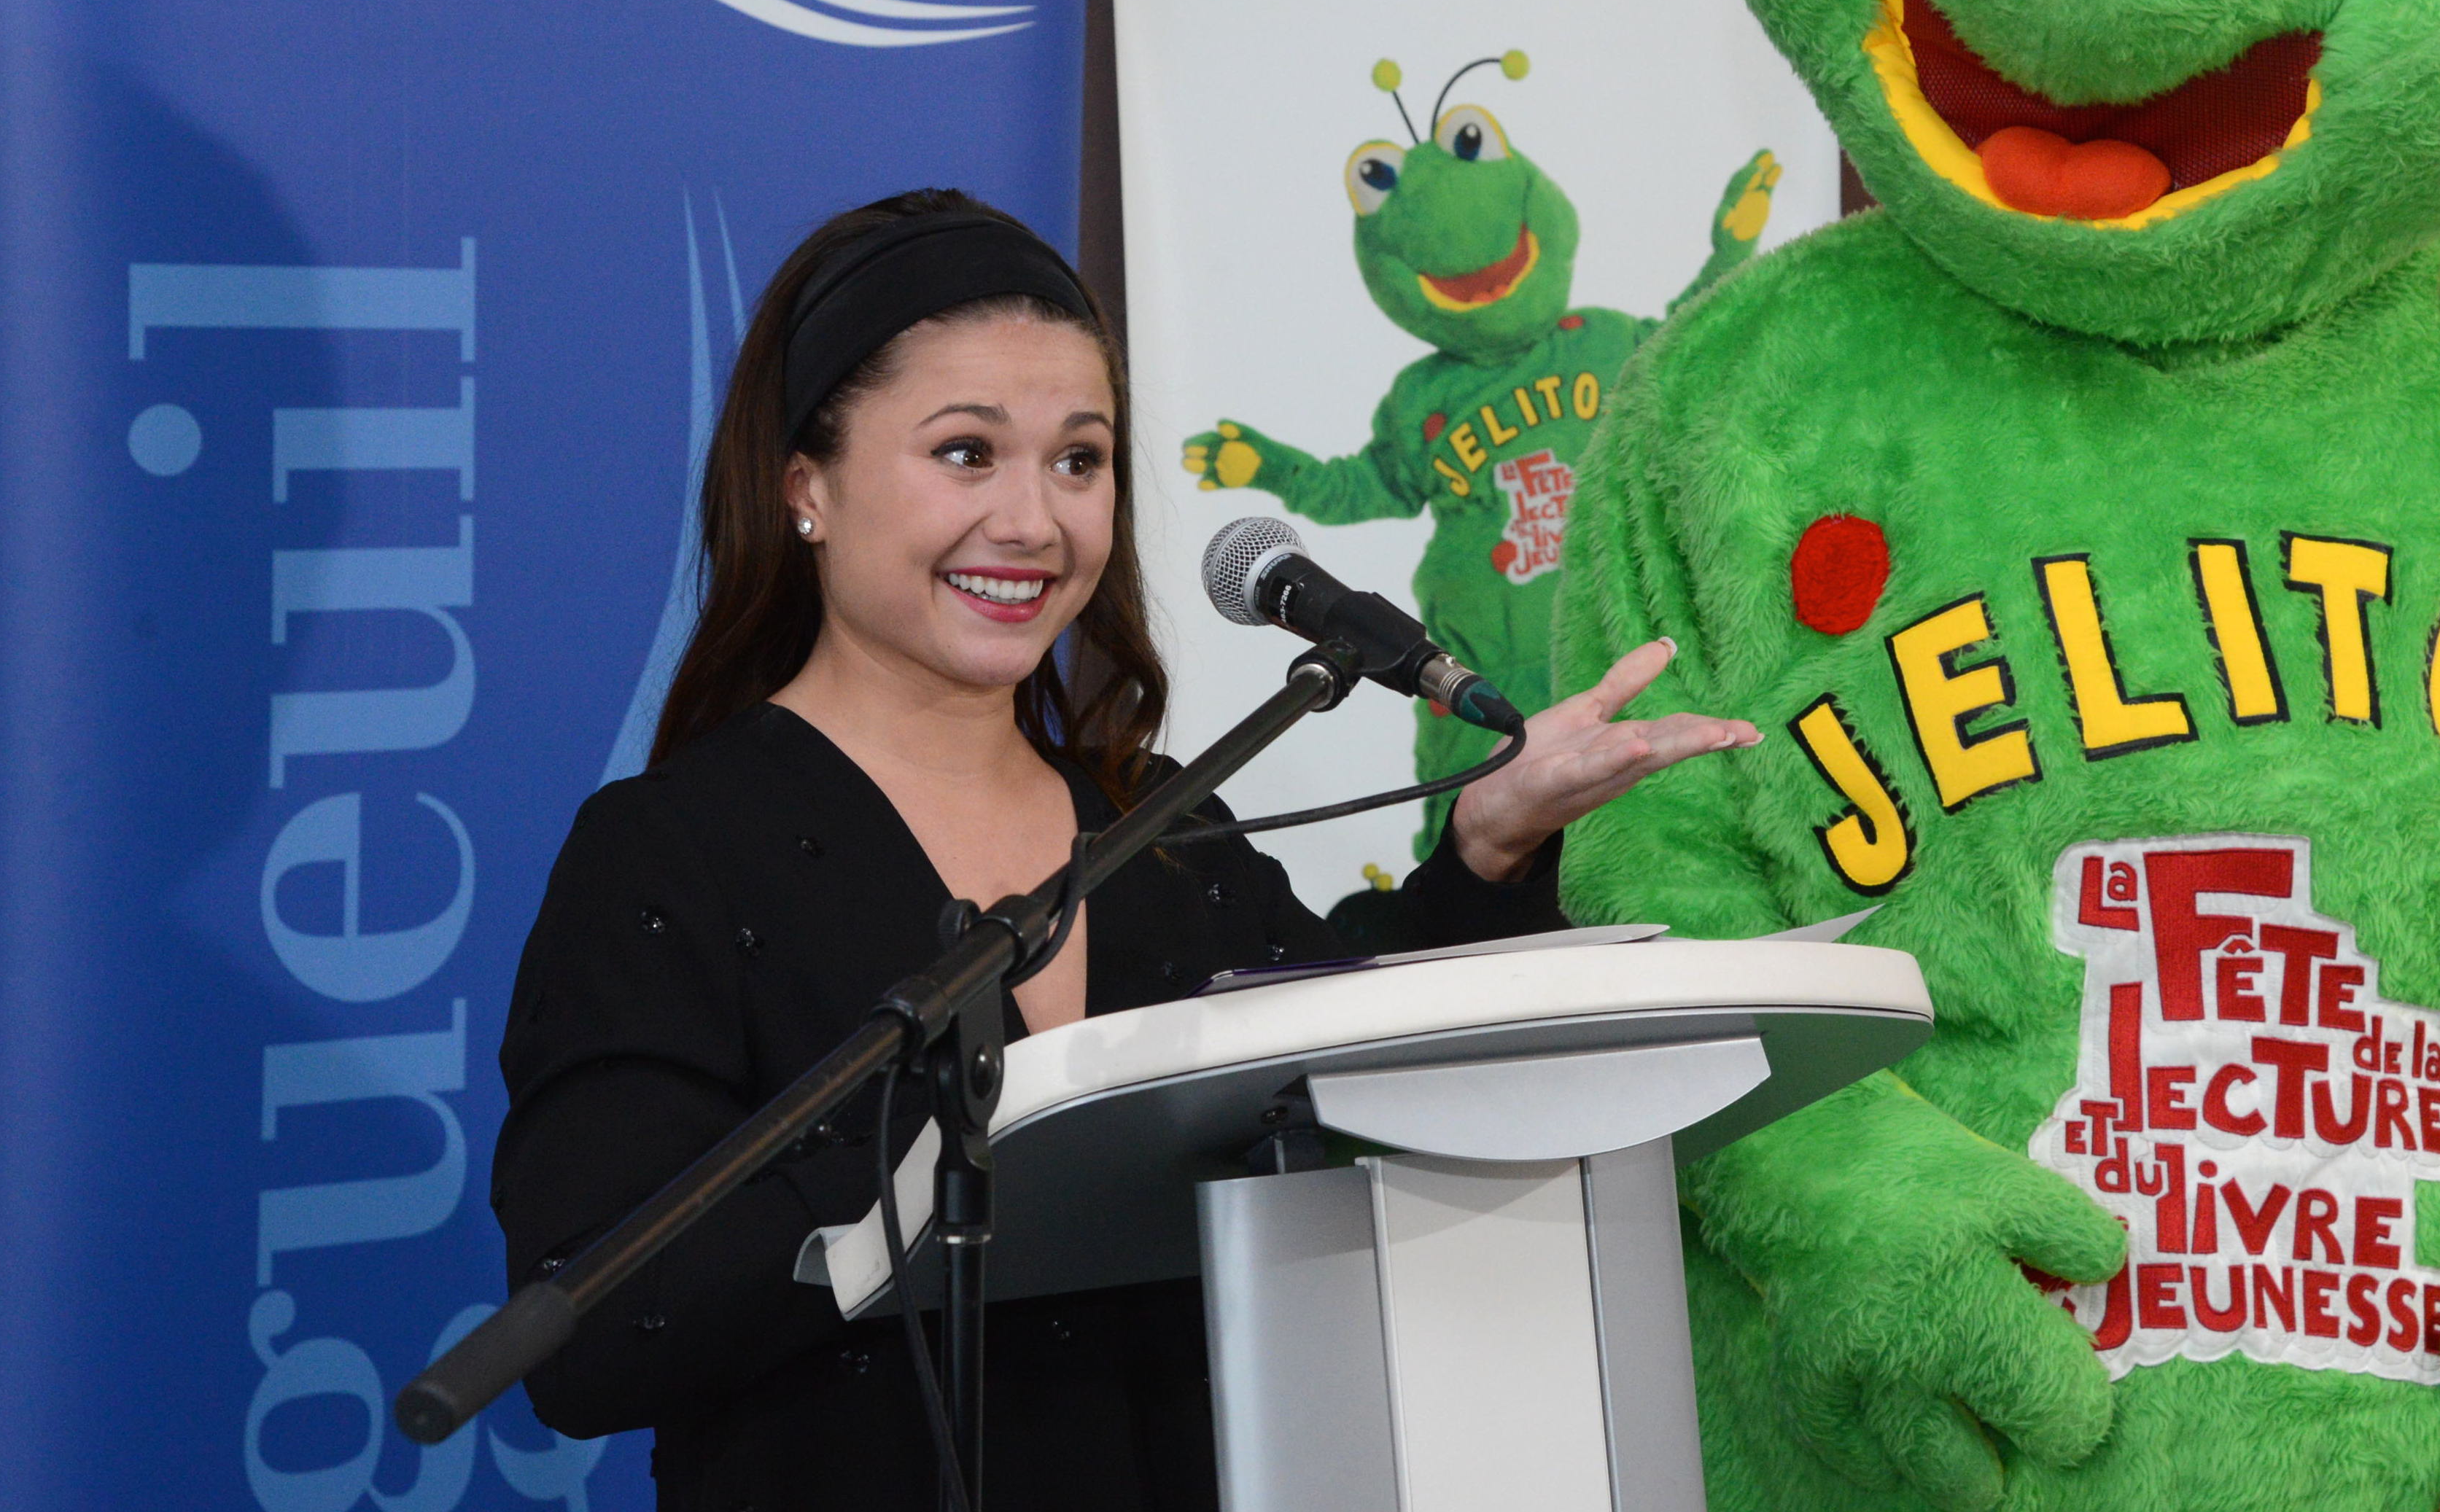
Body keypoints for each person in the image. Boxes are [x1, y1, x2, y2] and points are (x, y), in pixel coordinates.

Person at [490, 188, 1759, 1511]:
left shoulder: (1157, 824)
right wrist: (969, 1145)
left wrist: (1487, 847)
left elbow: (1343, 1068)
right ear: (805, 485)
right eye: (968, 453)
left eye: (1079, 460)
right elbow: (593, 1334)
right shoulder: (670, 852)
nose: (1036, 522)